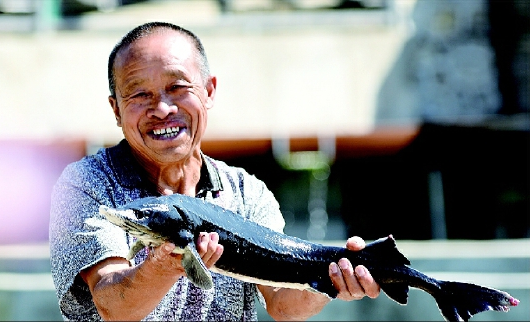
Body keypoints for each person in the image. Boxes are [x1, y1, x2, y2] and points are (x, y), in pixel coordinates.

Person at [49, 21, 380, 321]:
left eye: (178, 87)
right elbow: (114, 307)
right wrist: (166, 264)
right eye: (139, 93)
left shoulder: (246, 192)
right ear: (116, 110)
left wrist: (334, 281)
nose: (162, 109)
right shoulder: (86, 184)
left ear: (209, 92)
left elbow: (282, 304)